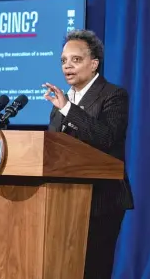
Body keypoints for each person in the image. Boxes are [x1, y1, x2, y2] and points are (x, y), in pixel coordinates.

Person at [43, 29, 134, 279]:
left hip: (101, 200)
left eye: (76, 59)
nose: (67, 66)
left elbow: (105, 137)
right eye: (63, 60)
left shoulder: (113, 96)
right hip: (62, 200)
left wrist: (67, 109)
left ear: (94, 64)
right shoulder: (61, 102)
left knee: (92, 270)